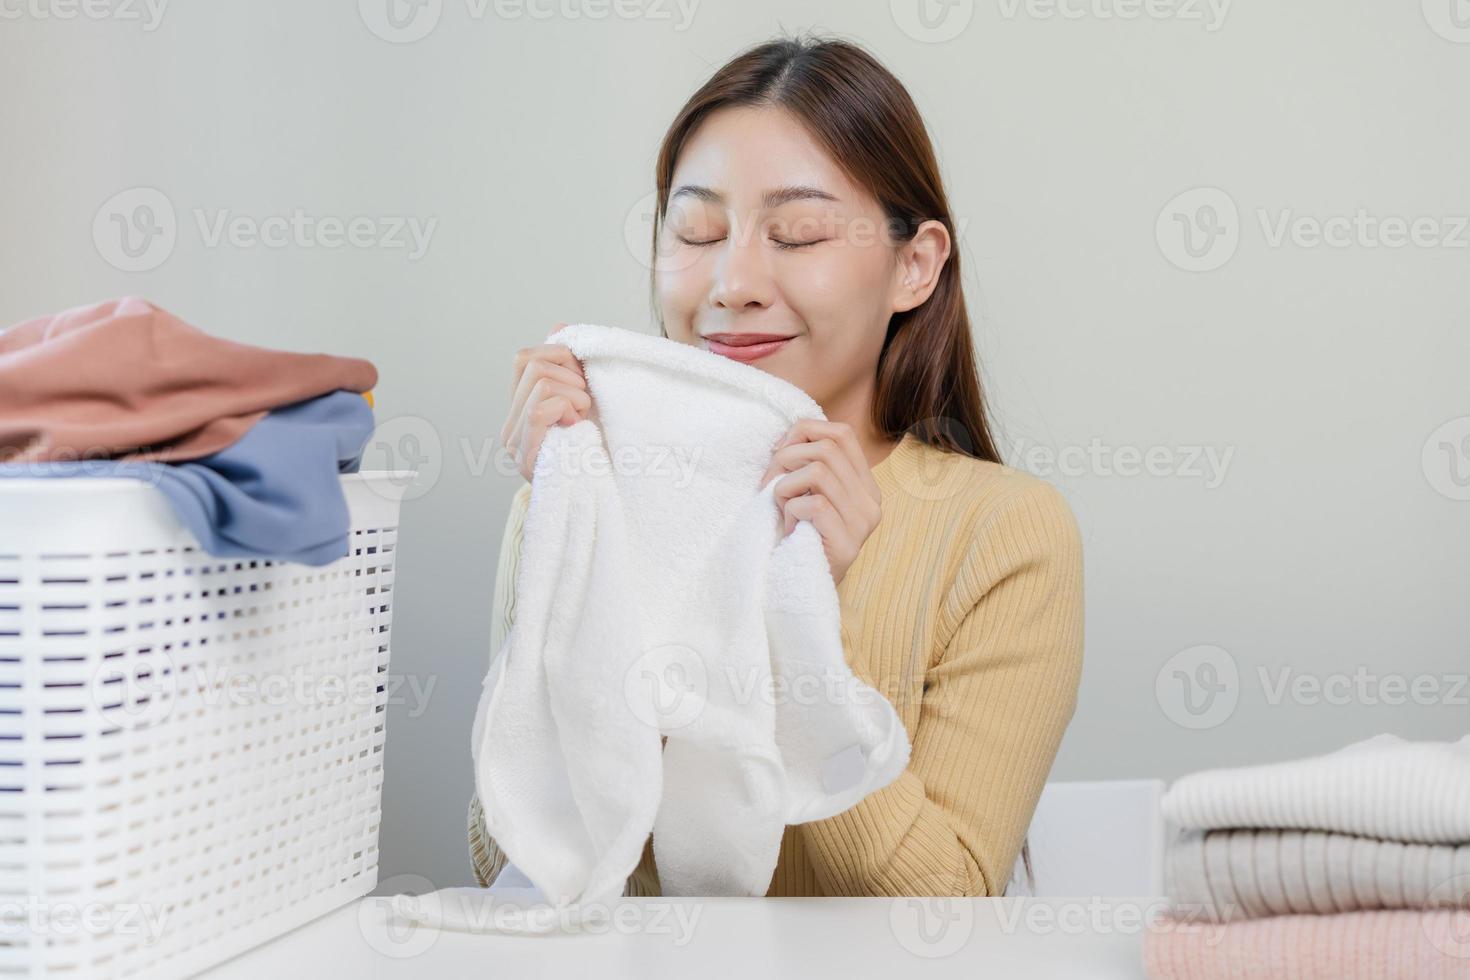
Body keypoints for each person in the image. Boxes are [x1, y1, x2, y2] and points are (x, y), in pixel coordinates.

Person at [469, 33, 1084, 898]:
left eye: (796, 235)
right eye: (697, 230)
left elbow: (944, 907)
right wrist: (590, 548)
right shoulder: (577, 494)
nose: (733, 281)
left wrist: (801, 623)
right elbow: (516, 859)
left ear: (914, 265)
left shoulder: (1006, 533)